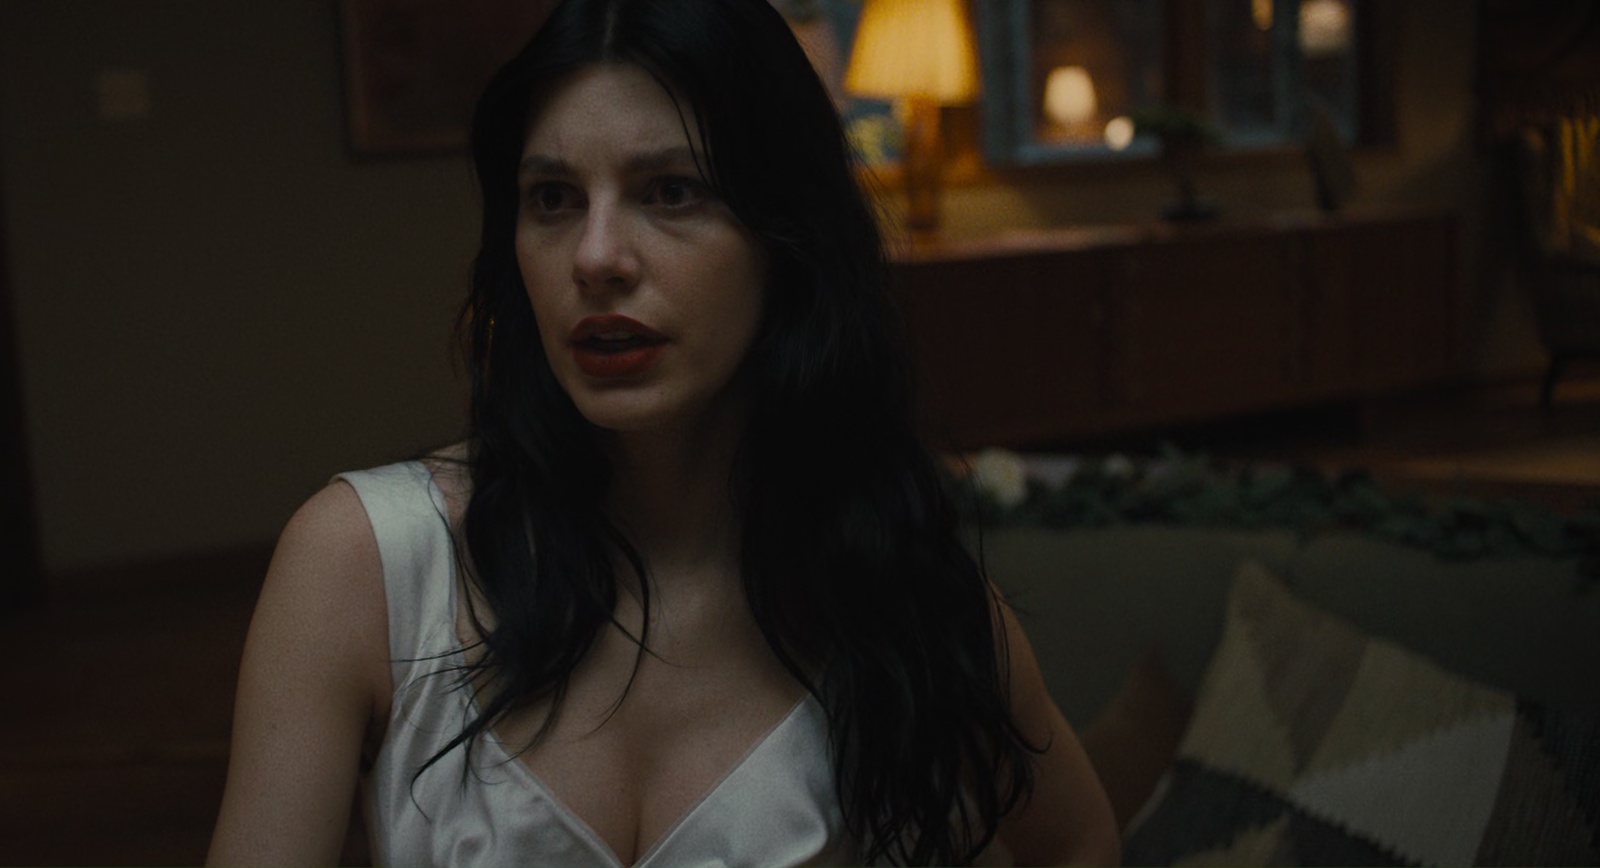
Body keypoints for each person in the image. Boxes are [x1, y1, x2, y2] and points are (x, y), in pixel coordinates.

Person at [207, 0, 1120, 865]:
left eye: (671, 191)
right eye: (553, 198)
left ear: (785, 239)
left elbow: (1079, 842)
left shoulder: (903, 600)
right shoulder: (364, 567)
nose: (596, 257)